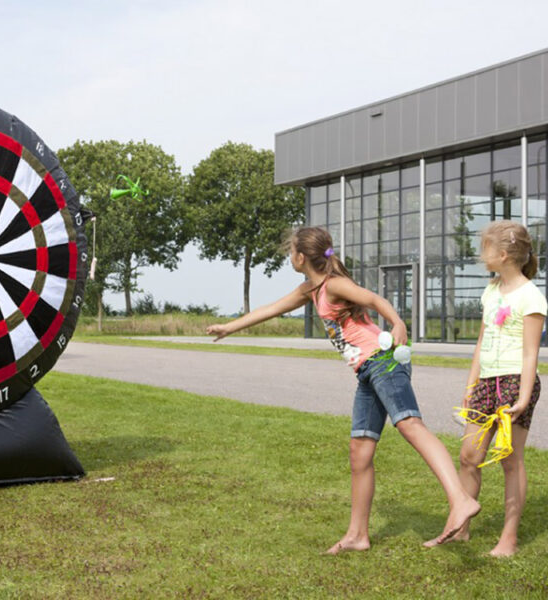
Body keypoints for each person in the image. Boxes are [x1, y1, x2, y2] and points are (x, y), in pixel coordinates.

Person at [206, 226, 480, 554]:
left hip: (384, 361)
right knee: (359, 452)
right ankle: (357, 536)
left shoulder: (335, 285)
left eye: (290, 251)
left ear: (301, 256)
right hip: (367, 371)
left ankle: (460, 500)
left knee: (410, 425)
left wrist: (397, 322)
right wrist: (229, 327)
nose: (288, 256)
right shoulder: (311, 289)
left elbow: (374, 299)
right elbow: (270, 310)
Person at [447, 220, 546, 556]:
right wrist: (470, 384)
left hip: (516, 383)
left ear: (502, 254)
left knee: (509, 460)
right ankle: (461, 526)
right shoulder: (490, 292)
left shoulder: (531, 296)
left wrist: (522, 396)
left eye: (485, 248)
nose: (481, 255)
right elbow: (481, 342)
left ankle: (509, 538)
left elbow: (532, 352)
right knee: (469, 456)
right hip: (486, 384)